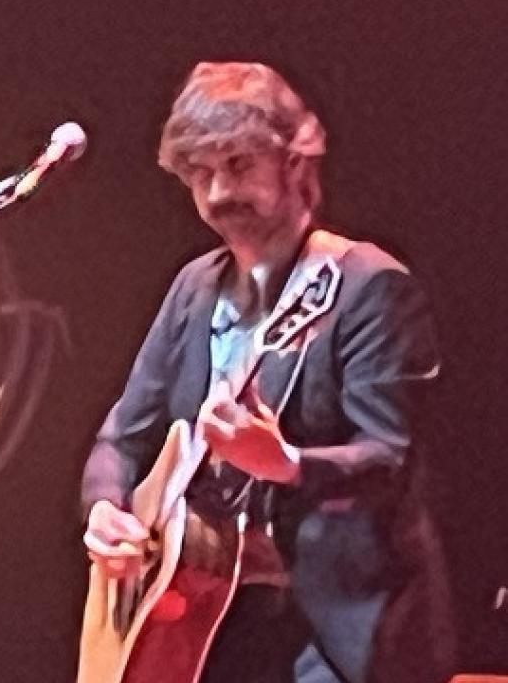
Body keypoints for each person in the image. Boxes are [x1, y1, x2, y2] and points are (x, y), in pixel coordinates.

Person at [80, 62, 453, 683]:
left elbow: (390, 456)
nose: (219, 192)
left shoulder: (368, 286)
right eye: (199, 174)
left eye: (238, 164)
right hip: (216, 615)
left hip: (333, 630)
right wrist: (106, 510)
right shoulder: (193, 288)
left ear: (296, 162)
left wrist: (285, 463)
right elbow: (122, 434)